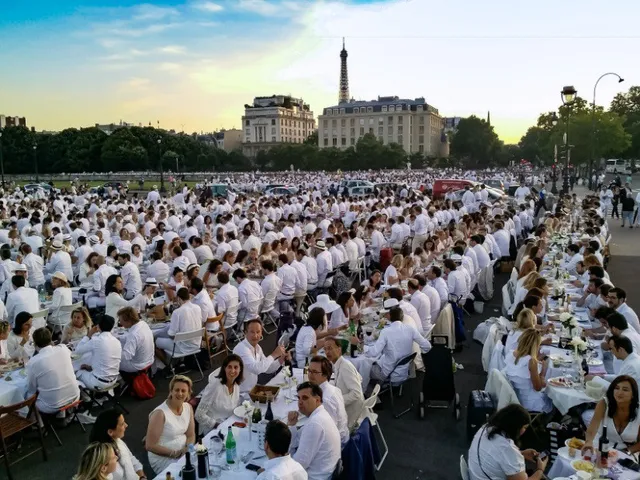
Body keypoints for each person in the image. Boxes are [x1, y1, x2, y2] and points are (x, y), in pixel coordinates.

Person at [468, 404, 548, 480]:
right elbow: (506, 452)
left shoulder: (486, 427)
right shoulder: (508, 448)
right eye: (524, 427)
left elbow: (497, 454)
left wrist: (522, 453)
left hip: (475, 475)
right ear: (514, 427)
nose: (524, 431)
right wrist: (540, 469)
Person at [286, 382, 341, 480]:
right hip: (325, 472)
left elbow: (298, 465)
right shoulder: (319, 415)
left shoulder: (315, 424)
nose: (300, 402)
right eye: (298, 398)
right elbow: (294, 442)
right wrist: (292, 424)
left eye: (305, 398)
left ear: (317, 400)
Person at [365, 306, 431, 384]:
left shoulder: (386, 332)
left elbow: (373, 353)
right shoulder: (410, 329)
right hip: (403, 372)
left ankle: (369, 393)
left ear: (389, 316)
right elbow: (427, 346)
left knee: (364, 367)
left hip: (388, 373)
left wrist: (363, 347)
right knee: (380, 358)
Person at [145, 375, 196, 474]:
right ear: (171, 391)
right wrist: (175, 454)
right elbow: (150, 445)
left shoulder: (188, 407)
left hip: (183, 450)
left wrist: (188, 448)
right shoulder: (160, 413)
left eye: (183, 391)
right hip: (163, 457)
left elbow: (191, 434)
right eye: (177, 390)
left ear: (188, 393)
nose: (180, 393)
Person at [26, 327, 80, 413]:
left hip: (52, 406)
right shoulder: (63, 349)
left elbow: (31, 389)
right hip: (75, 396)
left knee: (27, 395)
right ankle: (61, 416)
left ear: (35, 343)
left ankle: (38, 424)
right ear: (50, 339)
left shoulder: (33, 362)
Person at [583, 375, 640, 453]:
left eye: (625, 390)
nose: (619, 392)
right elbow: (592, 429)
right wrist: (588, 442)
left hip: (626, 453)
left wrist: (626, 452)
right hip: (599, 448)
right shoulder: (604, 403)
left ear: (633, 394)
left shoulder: (639, 412)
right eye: (616, 388)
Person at [503, 329, 553, 413]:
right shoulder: (531, 361)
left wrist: (537, 359)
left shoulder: (512, 353)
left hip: (515, 397)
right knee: (553, 399)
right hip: (529, 403)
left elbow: (521, 367)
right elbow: (538, 388)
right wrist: (543, 373)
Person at [89, 409, 147, 480]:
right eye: (122, 424)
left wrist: (142, 477)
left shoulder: (118, 441)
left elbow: (132, 460)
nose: (126, 425)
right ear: (110, 432)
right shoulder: (101, 458)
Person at [233, 319, 286, 393]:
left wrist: (281, 360)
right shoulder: (241, 348)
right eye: (252, 332)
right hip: (240, 394)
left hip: (253, 390)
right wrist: (274, 355)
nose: (255, 335)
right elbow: (256, 369)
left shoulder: (257, 347)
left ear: (261, 333)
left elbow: (267, 368)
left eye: (258, 332)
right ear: (245, 333)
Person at [195, 354, 243, 434]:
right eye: (229, 367)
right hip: (212, 430)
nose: (232, 371)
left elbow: (235, 408)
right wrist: (218, 425)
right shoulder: (214, 386)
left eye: (236, 367)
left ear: (240, 369)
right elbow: (199, 415)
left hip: (229, 425)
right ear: (224, 368)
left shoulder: (236, 385)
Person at [154, 287, 202, 367]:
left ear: (179, 298)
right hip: (196, 344)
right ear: (189, 296)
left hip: (183, 347)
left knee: (155, 342)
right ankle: (180, 362)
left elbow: (171, 334)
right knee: (177, 336)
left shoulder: (177, 312)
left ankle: (168, 366)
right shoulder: (197, 308)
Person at [324, 336, 364, 430]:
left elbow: (356, 394)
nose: (327, 352)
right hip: (348, 408)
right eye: (325, 349)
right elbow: (360, 378)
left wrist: (337, 401)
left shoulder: (345, 366)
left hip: (350, 414)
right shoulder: (338, 364)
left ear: (339, 349)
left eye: (330, 348)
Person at [307, 355, 349, 444]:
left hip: (337, 444)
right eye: (309, 371)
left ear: (325, 374)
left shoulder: (325, 400)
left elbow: (328, 432)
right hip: (343, 433)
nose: (310, 375)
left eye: (314, 372)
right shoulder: (334, 389)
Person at [74, 314, 122, 390]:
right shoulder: (117, 341)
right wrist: (90, 367)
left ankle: (84, 396)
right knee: (87, 366)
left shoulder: (96, 340)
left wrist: (88, 335)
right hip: (113, 380)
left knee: (76, 371)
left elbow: (78, 351)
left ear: (98, 326)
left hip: (98, 383)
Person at [117, 307, 154, 374]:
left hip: (137, 366)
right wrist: (118, 338)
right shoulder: (143, 324)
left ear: (128, 320)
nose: (120, 322)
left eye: (120, 320)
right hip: (149, 360)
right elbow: (135, 339)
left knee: (110, 361)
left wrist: (112, 354)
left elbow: (126, 356)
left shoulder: (133, 334)